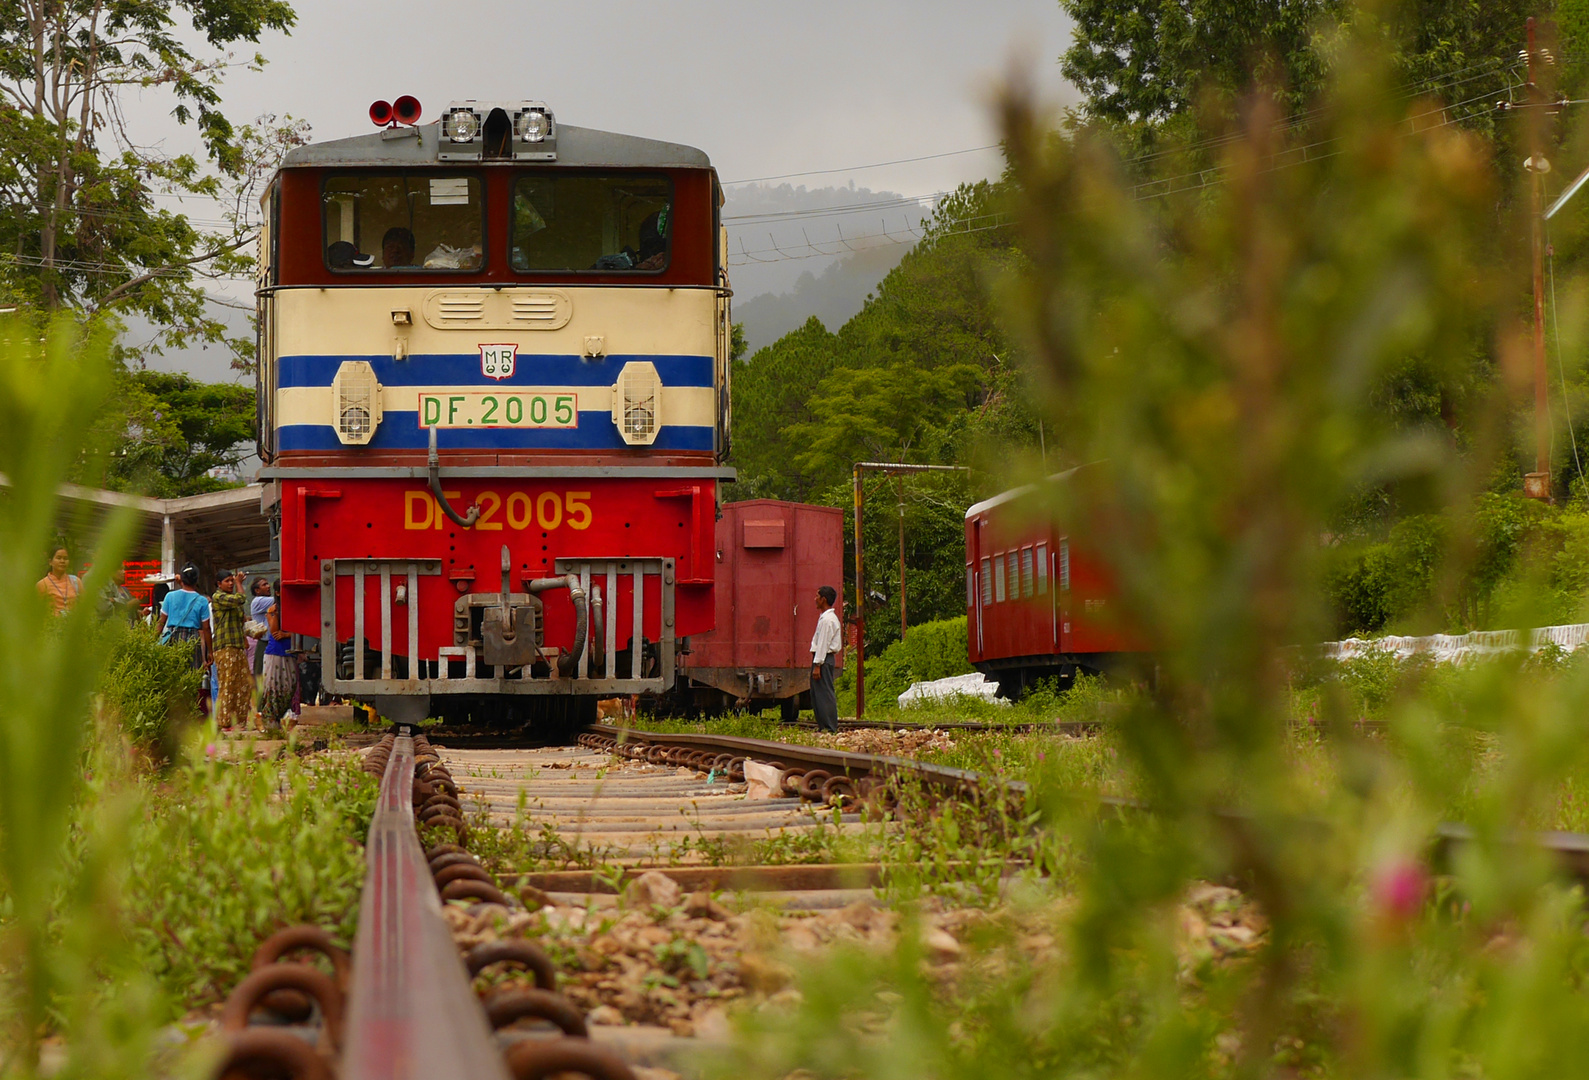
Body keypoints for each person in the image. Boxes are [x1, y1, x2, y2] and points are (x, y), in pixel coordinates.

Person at [210, 570, 251, 731]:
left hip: (237, 645)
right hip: (225, 645)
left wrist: (245, 638)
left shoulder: (231, 601)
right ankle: (224, 721)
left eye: (231, 581)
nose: (231, 584)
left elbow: (241, 620)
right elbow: (240, 598)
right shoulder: (218, 597)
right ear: (219, 584)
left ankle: (239, 719)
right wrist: (240, 583)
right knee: (227, 684)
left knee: (242, 684)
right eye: (227, 581)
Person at [156, 566, 212, 678]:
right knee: (192, 676)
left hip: (173, 638)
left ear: (181, 578)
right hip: (193, 639)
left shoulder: (170, 596)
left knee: (173, 675)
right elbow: (206, 628)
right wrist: (210, 651)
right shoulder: (202, 600)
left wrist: (151, 640)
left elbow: (161, 622)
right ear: (197, 579)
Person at [260, 579, 298, 730]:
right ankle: (271, 722)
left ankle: (279, 720)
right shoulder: (272, 610)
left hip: (289, 652)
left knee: (289, 687)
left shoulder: (294, 609)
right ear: (277, 593)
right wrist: (274, 613)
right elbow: (275, 632)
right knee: (273, 688)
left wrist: (288, 635)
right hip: (276, 652)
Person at [809, 585, 843, 733]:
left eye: (817, 596)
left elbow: (823, 644)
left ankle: (829, 726)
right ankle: (823, 725)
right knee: (818, 693)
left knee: (825, 693)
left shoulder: (827, 620)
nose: (814, 599)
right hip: (823, 659)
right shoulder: (825, 618)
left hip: (823, 659)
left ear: (823, 599)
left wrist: (817, 665)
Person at [36, 545, 81, 616]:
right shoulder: (42, 584)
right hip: (52, 624)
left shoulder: (76, 581)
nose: (62, 561)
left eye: (65, 558)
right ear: (50, 562)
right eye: (59, 558)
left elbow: (84, 605)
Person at [247, 576, 273, 677]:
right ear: (257, 590)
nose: (268, 586)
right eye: (264, 585)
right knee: (262, 673)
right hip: (264, 642)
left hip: (268, 641)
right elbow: (281, 598)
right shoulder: (259, 601)